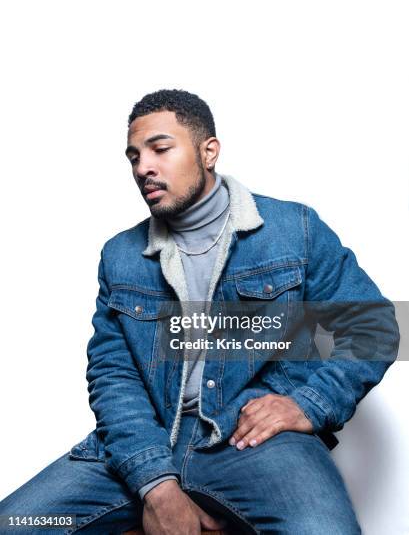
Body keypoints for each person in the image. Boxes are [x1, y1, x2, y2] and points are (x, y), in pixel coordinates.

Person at [0, 89, 399, 534]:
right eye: (133, 156)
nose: (143, 167)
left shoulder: (294, 230)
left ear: (209, 152)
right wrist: (155, 483)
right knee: (15, 522)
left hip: (252, 441)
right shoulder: (121, 256)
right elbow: (114, 375)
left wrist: (309, 404)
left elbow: (374, 325)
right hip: (146, 443)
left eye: (160, 148)